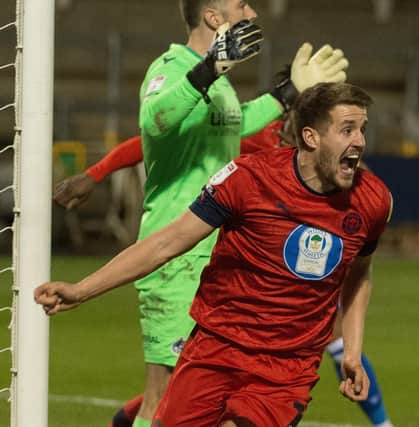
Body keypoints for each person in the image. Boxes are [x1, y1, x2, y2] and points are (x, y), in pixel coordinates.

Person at [52, 1, 348, 425]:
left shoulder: (220, 84)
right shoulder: (171, 68)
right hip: (176, 258)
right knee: (165, 398)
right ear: (213, 17)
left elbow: (236, 124)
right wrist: (212, 66)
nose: (251, 11)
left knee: (207, 396)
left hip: (221, 257)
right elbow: (156, 121)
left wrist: (289, 94)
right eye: (240, 4)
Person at [36, 82, 393, 426]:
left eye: (362, 129)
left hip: (285, 369)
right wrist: (81, 290)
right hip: (216, 348)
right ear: (311, 137)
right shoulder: (248, 180)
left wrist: (352, 350)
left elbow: (359, 273)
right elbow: (167, 242)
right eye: (347, 130)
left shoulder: (373, 202)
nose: (360, 141)